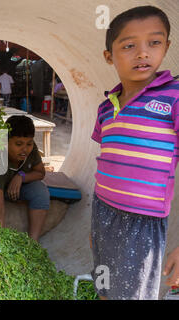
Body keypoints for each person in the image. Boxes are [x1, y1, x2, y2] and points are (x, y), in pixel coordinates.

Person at [90, 5, 179, 300]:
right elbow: (109, 160)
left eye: (154, 43)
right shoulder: (106, 107)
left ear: (166, 46)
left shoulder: (173, 98)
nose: (143, 53)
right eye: (129, 46)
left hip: (143, 221)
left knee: (131, 294)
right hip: (102, 210)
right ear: (109, 56)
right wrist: (96, 224)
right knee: (103, 285)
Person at [0, 115, 50, 242]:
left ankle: (33, 244)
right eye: (18, 144)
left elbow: (40, 173)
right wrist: (0, 244)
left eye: (29, 143)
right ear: (5, 142)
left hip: (17, 189)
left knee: (40, 190)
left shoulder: (30, 149)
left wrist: (21, 176)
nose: (25, 149)